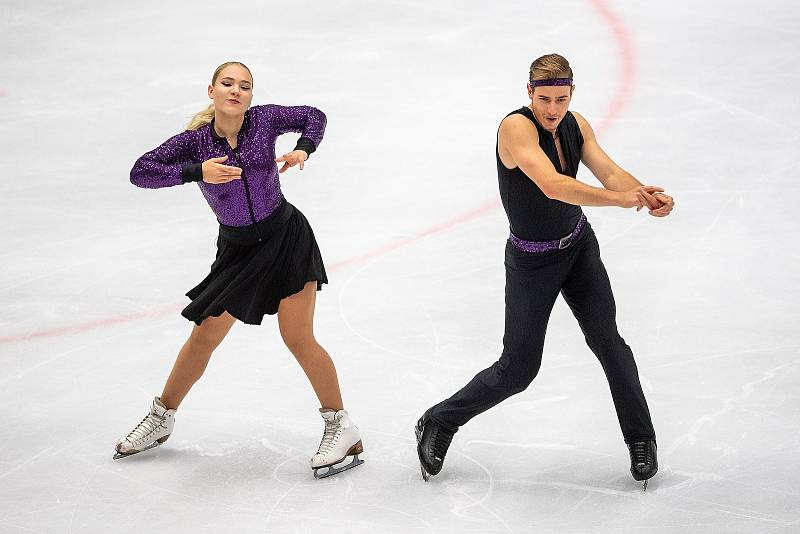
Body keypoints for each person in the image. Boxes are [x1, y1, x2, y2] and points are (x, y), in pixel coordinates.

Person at [415, 53, 674, 490]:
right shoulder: (515, 128)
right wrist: (621, 200)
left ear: (572, 94)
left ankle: (641, 440)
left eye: (561, 98)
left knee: (610, 343)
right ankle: (440, 420)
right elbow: (554, 185)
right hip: (532, 261)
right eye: (544, 99)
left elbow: (607, 170)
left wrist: (641, 193)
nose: (553, 109)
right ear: (529, 94)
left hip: (578, 249)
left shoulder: (576, 123)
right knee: (518, 368)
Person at [116, 61, 363, 479]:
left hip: (286, 239)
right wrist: (196, 172)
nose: (236, 91)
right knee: (203, 338)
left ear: (251, 95)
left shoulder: (264, 120)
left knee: (297, 336)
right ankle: (162, 417)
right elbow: (141, 172)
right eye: (227, 84)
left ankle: (342, 427)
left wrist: (304, 147)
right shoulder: (193, 143)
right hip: (238, 250)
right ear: (211, 91)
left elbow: (313, 116)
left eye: (244, 86)